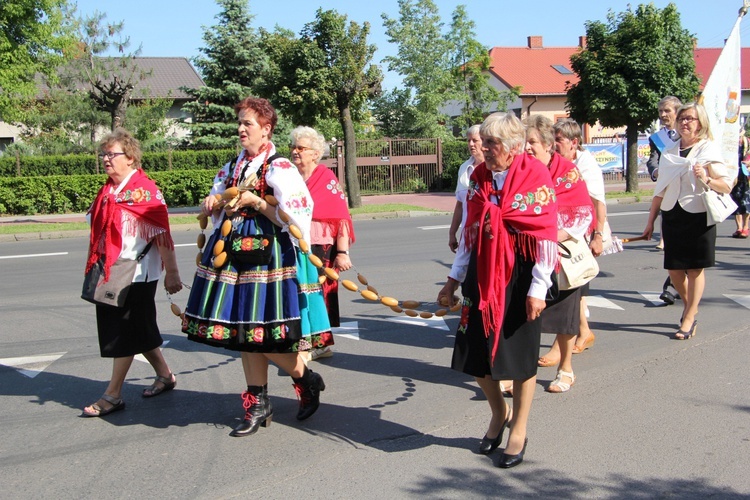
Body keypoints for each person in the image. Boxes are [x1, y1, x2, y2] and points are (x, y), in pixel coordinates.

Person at [182, 97, 332, 437]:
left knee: (261, 334)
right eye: (240, 123)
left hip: (267, 255)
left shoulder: (279, 167)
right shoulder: (234, 165)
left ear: (266, 129)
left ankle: (305, 379)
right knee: (242, 334)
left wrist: (257, 202)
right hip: (233, 251)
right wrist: (214, 202)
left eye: (247, 123)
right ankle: (259, 403)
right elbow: (218, 194)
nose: (240, 129)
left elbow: (296, 216)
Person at [437, 112, 558, 468]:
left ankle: (518, 429)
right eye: (484, 142)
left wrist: (538, 288)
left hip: (521, 274)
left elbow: (547, 237)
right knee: (475, 353)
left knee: (519, 358)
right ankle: (498, 412)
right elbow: (470, 235)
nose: (485, 150)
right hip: (483, 270)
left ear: (514, 147)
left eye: (492, 143)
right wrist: (453, 280)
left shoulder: (535, 176)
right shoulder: (478, 178)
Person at [82, 128, 183, 417]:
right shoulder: (108, 190)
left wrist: (172, 273)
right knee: (140, 328)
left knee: (122, 332)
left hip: (136, 275)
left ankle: (112, 394)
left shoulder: (145, 191)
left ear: (130, 157)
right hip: (112, 270)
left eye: (111, 154)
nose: (106, 159)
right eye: (103, 154)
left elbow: (162, 234)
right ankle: (165, 375)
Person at [641, 102, 733, 339]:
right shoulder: (670, 152)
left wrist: (706, 178)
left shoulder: (707, 150)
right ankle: (690, 304)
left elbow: (726, 185)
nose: (684, 122)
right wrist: (650, 222)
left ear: (700, 123)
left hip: (698, 214)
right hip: (672, 214)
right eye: (681, 118)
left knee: (694, 269)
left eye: (689, 118)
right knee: (674, 270)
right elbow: (660, 190)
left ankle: (689, 316)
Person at [525, 115, 594, 393]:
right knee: (527, 315)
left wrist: (554, 236)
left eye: (532, 142)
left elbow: (583, 213)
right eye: (524, 142)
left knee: (565, 316)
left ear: (548, 145)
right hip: (529, 253)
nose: (527, 148)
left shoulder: (567, 172)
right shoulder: (522, 170)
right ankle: (521, 371)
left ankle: (566, 368)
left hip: (561, 254)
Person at [538, 118, 606, 367]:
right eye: (552, 140)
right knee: (575, 288)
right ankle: (584, 331)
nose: (554, 145)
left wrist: (598, 235)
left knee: (571, 288)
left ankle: (561, 347)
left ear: (574, 143)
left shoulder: (584, 166)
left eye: (559, 140)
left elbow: (597, 202)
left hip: (578, 233)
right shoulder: (549, 164)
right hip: (559, 234)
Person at [290, 126, 355, 361]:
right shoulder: (290, 177)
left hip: (321, 245)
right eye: (293, 147)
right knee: (298, 292)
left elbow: (341, 217)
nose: (295, 152)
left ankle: (321, 345)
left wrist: (343, 252)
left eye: (301, 148)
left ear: (315, 153)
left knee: (320, 293)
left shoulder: (326, 176)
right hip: (296, 243)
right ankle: (304, 340)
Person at [647, 96, 683, 302]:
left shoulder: (687, 134)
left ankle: (674, 283)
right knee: (672, 241)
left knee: (683, 243)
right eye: (660, 111)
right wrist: (656, 172)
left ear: (677, 112)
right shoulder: (658, 138)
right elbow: (653, 160)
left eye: (667, 111)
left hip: (688, 193)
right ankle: (673, 283)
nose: (663, 115)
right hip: (668, 192)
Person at [448, 125, 484, 253]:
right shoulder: (464, 168)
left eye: (475, 140)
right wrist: (452, 233)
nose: (471, 144)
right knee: (459, 271)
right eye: (468, 140)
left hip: (486, 235)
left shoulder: (494, 167)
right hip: (467, 234)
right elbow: (460, 204)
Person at [730, 135, 750, 238]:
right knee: (735, 202)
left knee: (746, 202)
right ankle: (739, 227)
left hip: (747, 177)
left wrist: (748, 162)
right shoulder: (731, 144)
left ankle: (746, 227)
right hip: (734, 176)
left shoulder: (748, 143)